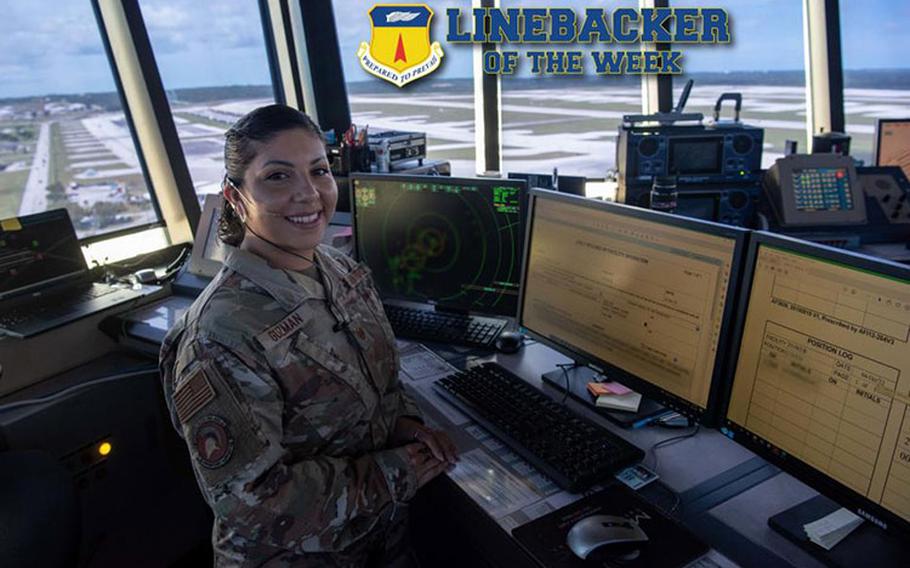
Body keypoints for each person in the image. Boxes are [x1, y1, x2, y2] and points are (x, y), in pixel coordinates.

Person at [159, 104, 458, 567]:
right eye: (278, 177)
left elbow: (378, 388)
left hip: (379, 534)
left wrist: (403, 424)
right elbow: (249, 502)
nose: (309, 193)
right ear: (236, 198)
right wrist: (397, 472)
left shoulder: (341, 270)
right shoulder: (219, 334)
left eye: (319, 170)